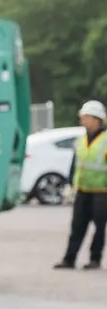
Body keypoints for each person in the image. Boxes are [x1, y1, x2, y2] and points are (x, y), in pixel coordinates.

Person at [55, 99, 107, 270]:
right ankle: (69, 259)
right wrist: (69, 184)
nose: (82, 120)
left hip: (102, 191)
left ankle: (95, 259)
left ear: (96, 119)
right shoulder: (80, 140)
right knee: (77, 226)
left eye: (85, 117)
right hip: (83, 190)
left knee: (99, 227)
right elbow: (75, 164)